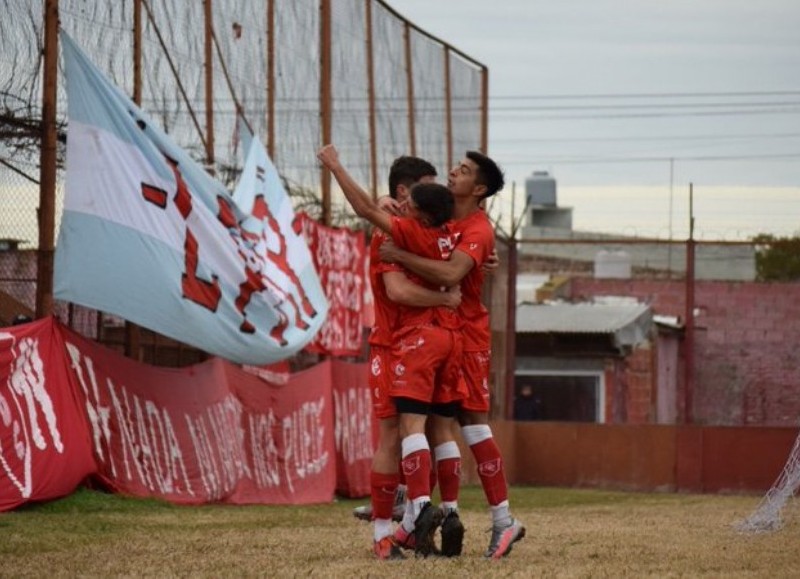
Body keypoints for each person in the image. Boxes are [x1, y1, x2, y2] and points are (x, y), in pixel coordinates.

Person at [318, 144, 466, 558]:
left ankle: (402, 522)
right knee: (433, 431)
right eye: (426, 187)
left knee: (400, 433)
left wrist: (334, 164)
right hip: (438, 340)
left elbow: (398, 288)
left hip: (407, 343)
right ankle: (411, 524)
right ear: (404, 193)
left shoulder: (397, 230)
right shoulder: (446, 234)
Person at [379, 150, 527, 559]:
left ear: (479, 189)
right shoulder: (447, 219)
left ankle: (503, 520)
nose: (452, 173)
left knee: (471, 424)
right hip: (444, 335)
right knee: (437, 426)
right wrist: (382, 203)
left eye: (462, 172)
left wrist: (397, 256)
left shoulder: (478, 229)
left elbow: (449, 274)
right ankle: (424, 517)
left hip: (468, 337)